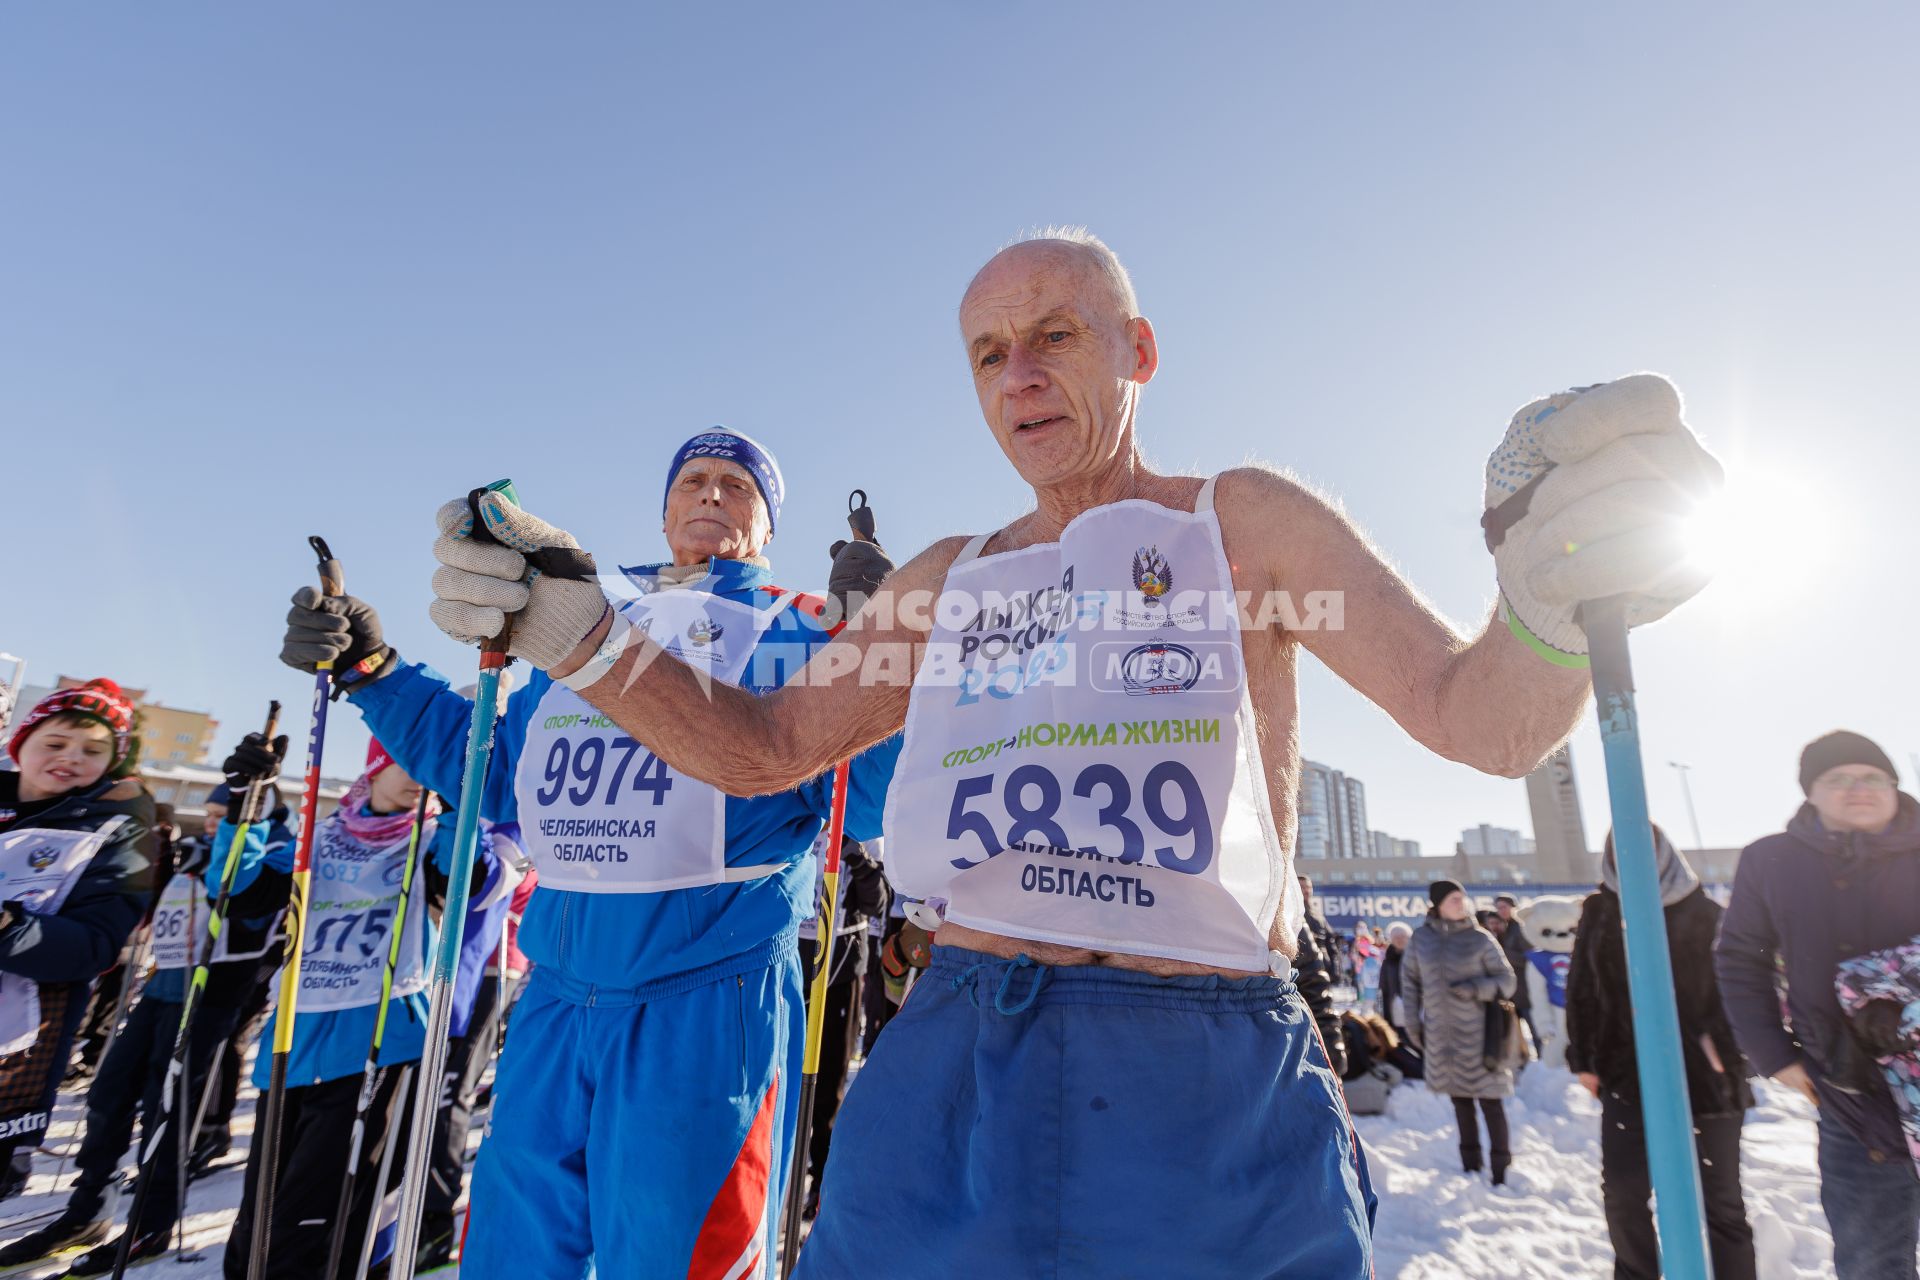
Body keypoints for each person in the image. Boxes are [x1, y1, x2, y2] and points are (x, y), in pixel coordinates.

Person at [424, 229, 1720, 1275]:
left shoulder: (1241, 522)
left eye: (1054, 337)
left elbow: (1478, 720)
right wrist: (576, 630)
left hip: (1200, 1059)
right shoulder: (947, 579)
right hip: (952, 1056)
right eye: (989, 354)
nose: (1020, 376)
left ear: (1137, 349)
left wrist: (1545, 599)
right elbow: (762, 750)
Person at [278, 428, 900, 1278]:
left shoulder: (793, 625)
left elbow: (858, 803)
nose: (712, 494)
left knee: (675, 1259)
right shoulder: (582, 620)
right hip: (556, 1002)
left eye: (737, 485)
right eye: (694, 480)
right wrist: (374, 670)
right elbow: (499, 778)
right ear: (665, 506)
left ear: (767, 523)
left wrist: (879, 649)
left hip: (706, 1004)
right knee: (510, 1253)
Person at [217, 737, 503, 1280]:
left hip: (379, 1045)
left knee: (316, 1226)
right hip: (292, 1047)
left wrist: (459, 807)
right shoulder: (318, 838)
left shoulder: (432, 839)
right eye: (408, 759)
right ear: (374, 764)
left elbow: (467, 887)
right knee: (256, 1226)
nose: (420, 773)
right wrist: (245, 808)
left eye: (431, 762)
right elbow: (240, 893)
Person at [0, 754, 289, 1270]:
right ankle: (88, 1209)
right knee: (108, 1097)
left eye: (223, 817)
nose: (211, 823)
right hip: (161, 990)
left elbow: (251, 912)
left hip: (210, 997)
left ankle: (152, 1224)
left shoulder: (271, 855)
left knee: (168, 1110)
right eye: (210, 815)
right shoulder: (195, 851)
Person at [1717, 730, 1920, 1280]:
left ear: (1895, 786)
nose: (1859, 788)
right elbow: (1740, 960)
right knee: (1873, 1259)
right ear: (1811, 792)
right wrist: (1775, 1057)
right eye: (1838, 779)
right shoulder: (1772, 860)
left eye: (1873, 777)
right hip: (1853, 1097)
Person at [1567, 824, 1754, 1280]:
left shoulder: (1705, 911)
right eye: (1622, 851)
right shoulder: (1600, 910)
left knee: (1721, 1200)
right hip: (1626, 1074)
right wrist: (1586, 1060)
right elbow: (1582, 990)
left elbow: (1738, 989)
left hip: (1707, 1079)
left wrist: (1723, 1054)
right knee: (1624, 1193)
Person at [0, 681, 154, 1202]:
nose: (71, 758)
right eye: (56, 742)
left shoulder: (118, 832)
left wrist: (7, 926)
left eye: (93, 751)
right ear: (22, 743)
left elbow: (94, 947)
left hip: (14, 1052)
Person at [1404, 880, 1519, 1183]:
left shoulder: (1480, 939)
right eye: (1454, 899)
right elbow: (1410, 986)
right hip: (1442, 1037)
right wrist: (1414, 1028)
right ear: (1438, 904)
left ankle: (1500, 1170)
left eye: (1462, 898)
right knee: (1460, 1102)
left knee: (1491, 1102)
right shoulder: (1420, 940)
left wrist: (1475, 989)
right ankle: (1470, 1166)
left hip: (1482, 1037)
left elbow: (1507, 981)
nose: (1461, 904)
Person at [1493, 893, 1538, 1050]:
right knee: (1515, 1034)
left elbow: (1529, 957)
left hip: (1525, 990)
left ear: (1513, 907)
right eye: (1498, 908)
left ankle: (1544, 1064)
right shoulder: (1503, 930)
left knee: (1535, 1031)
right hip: (1511, 993)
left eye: (1504, 907)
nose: (1501, 911)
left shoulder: (1521, 929)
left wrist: (1502, 953)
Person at [1380, 920, 1414, 1042]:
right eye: (1395, 937)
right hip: (1396, 1008)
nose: (1399, 940)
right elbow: (1384, 987)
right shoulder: (1388, 960)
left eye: (1402, 936)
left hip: (1417, 1008)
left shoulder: (1417, 956)